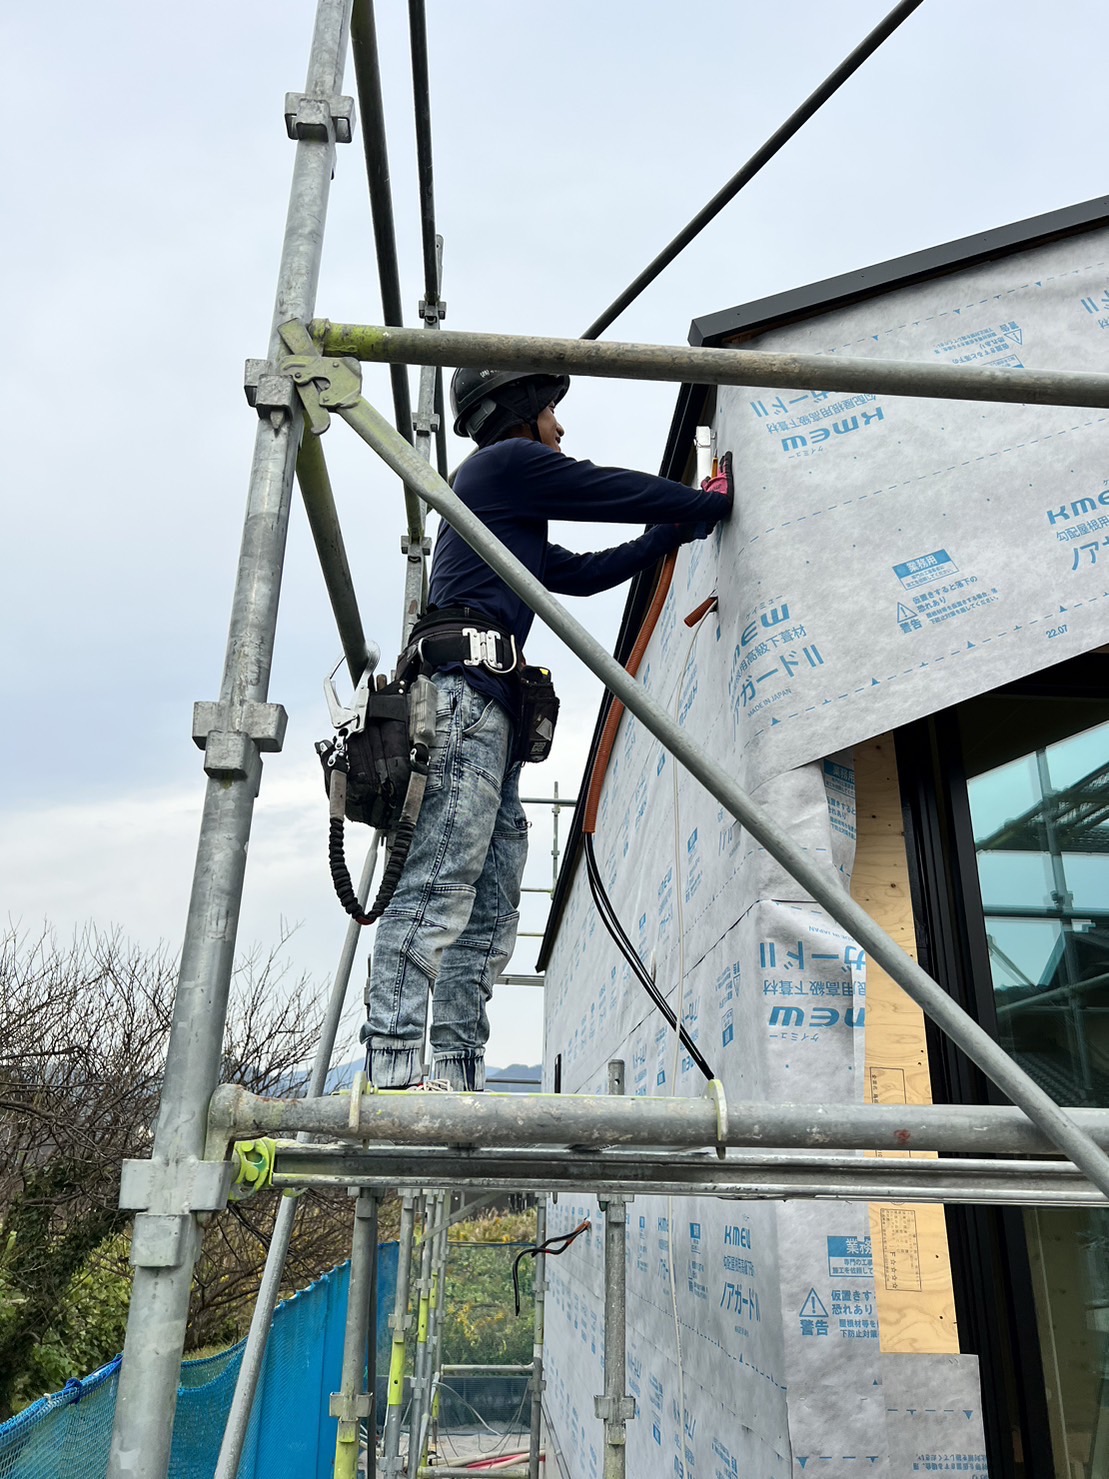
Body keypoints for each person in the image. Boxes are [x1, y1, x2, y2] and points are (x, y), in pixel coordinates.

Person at [362, 368, 733, 1092]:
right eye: (553, 413)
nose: (560, 429)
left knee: (490, 908)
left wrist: (680, 527)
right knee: (439, 885)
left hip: (487, 719)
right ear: (523, 413)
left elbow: (585, 572)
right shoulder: (502, 465)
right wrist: (699, 500)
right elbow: (604, 490)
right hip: (463, 707)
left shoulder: (506, 513)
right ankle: (393, 1067)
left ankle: (453, 1068)